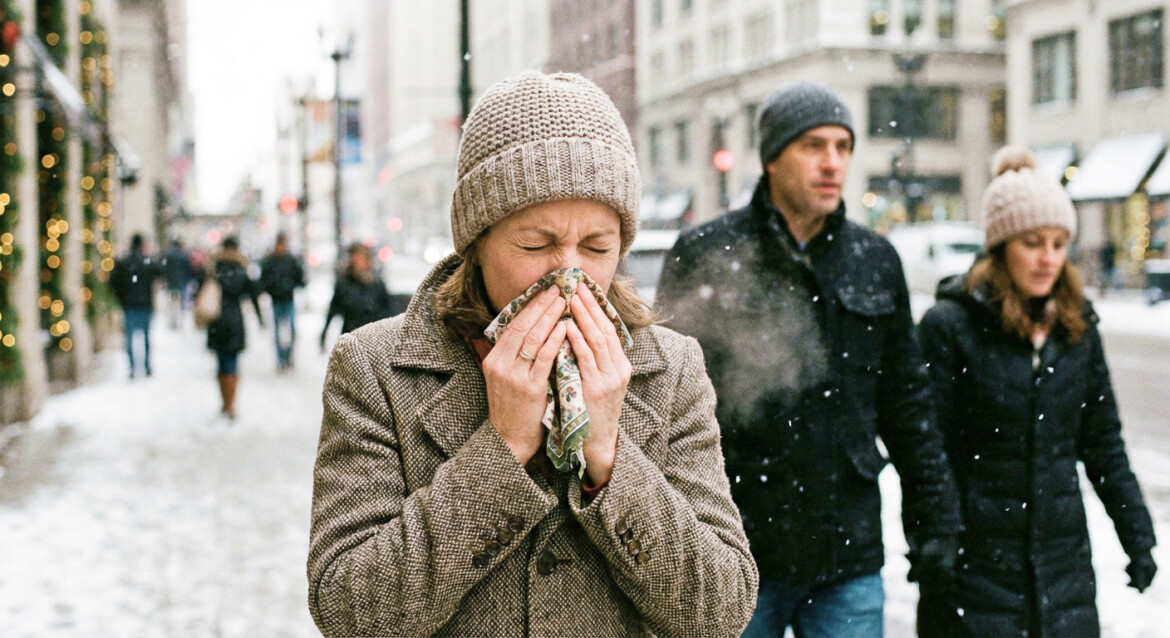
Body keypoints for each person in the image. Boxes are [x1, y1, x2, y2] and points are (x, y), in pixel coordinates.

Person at [307, 71, 758, 637]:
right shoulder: (374, 368)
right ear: (477, 242)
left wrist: (610, 456)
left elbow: (719, 611)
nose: (567, 275)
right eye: (535, 244)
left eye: (597, 247)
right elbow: (350, 612)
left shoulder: (671, 369)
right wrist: (501, 451)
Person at [655, 81, 960, 637]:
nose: (832, 163)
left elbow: (909, 407)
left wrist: (935, 523)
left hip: (845, 552)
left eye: (843, 147)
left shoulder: (874, 259)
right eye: (813, 146)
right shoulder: (705, 254)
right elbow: (662, 408)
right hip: (736, 551)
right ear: (772, 157)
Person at [915, 146, 1157, 637]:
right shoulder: (951, 326)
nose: (1048, 258)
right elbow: (925, 450)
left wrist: (1138, 537)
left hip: (1061, 569)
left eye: (1058, 243)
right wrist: (934, 544)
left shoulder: (1076, 330)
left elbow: (1103, 443)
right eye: (1032, 242)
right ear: (1001, 246)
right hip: (975, 569)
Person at [197, 236, 263, 420]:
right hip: (234, 320)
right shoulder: (242, 269)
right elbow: (253, 293)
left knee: (221, 363)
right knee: (232, 363)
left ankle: (224, 402)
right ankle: (230, 404)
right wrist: (260, 318)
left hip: (216, 319)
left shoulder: (213, 267)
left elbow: (200, 288)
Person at [318, 242, 393, 351]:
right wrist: (324, 335)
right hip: (350, 337)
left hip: (373, 339)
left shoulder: (376, 284)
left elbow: (388, 311)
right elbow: (333, 309)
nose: (357, 262)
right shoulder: (344, 284)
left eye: (360, 258)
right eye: (355, 258)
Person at [109, 233, 163, 378]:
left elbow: (113, 282)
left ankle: (133, 367)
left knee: (130, 337)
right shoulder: (147, 261)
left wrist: (122, 299)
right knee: (145, 337)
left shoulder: (123, 262)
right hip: (145, 303)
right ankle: (146, 366)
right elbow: (159, 273)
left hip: (129, 304)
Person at [260, 232, 306, 371]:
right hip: (277, 300)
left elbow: (299, 276)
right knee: (277, 332)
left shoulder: (290, 260)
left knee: (291, 330)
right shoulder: (270, 261)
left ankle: (288, 357)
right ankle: (281, 359)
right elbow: (264, 279)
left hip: (288, 298)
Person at [161, 238, 194, 329]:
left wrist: (165, 279)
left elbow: (164, 268)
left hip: (171, 281)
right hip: (182, 281)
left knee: (172, 302)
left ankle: (173, 320)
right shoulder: (184, 255)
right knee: (181, 302)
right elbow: (188, 269)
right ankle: (180, 321)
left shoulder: (168, 255)